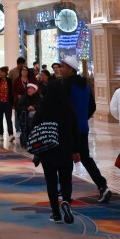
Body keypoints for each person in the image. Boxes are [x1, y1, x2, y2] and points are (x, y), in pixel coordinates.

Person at [27, 76, 80, 223]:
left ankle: (56, 213)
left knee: (51, 181)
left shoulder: (44, 106)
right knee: (66, 180)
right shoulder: (68, 107)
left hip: (48, 149)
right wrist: (76, 150)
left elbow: (34, 124)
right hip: (65, 148)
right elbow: (75, 130)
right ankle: (66, 202)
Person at [59, 56, 111, 203]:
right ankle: (102, 186)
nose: (61, 69)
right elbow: (92, 107)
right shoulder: (86, 85)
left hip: (68, 129)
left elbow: (63, 108)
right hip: (82, 128)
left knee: (65, 159)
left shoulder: (66, 85)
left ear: (70, 68)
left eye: (63, 66)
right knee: (86, 158)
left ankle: (64, 189)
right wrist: (82, 119)